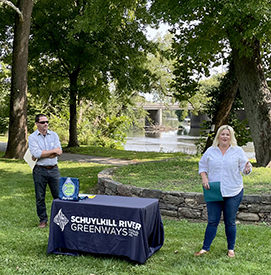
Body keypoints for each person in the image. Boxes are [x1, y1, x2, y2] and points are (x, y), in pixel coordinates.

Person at [194, 125, 252, 258]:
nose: (225, 137)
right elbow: (202, 166)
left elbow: (245, 168)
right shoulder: (210, 151)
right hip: (214, 191)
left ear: (231, 137)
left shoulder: (238, 151)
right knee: (212, 221)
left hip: (233, 191)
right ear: (218, 136)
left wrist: (247, 169)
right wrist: (204, 178)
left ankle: (231, 249)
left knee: (230, 221)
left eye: (227, 134)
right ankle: (205, 248)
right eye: (222, 134)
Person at [28, 114, 62, 228]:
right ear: (37, 124)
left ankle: (60, 219)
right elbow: (36, 153)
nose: (46, 124)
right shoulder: (33, 137)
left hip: (54, 169)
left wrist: (42, 153)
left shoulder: (54, 135)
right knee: (40, 197)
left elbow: (59, 151)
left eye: (47, 122)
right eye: (43, 122)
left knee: (58, 196)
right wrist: (52, 152)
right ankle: (43, 220)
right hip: (39, 170)